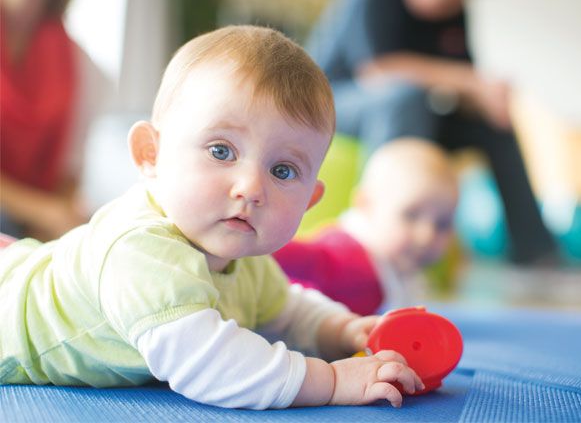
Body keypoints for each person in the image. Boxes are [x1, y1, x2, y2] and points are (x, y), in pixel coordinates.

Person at [0, 26, 425, 409]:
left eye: (282, 171)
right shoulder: (141, 249)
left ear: (309, 201)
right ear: (151, 154)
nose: (251, 188)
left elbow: (285, 309)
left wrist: (345, 330)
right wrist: (332, 381)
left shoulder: (245, 257)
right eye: (221, 151)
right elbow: (210, 363)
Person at [306, 0, 557, 264]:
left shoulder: (454, 12)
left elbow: (458, 85)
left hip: (412, 109)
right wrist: (472, 81)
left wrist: (486, 100)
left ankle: (537, 252)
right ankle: (384, 235)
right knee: (404, 97)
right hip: (333, 101)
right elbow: (378, 70)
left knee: (492, 127)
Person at [274, 137, 457, 315]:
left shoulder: (395, 265)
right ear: (366, 205)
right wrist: (252, 246)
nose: (427, 236)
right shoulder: (349, 257)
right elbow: (297, 257)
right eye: (411, 215)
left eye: (442, 224)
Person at [0, 0, 105, 241]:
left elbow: (69, 171)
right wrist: (46, 213)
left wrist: (61, 219)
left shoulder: (79, 63)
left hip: (37, 218)